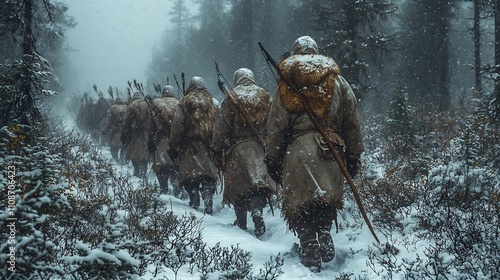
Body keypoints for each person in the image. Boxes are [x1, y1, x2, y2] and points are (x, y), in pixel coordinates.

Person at [264, 36, 364, 272]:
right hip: (331, 149)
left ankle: (309, 242)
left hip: (298, 151)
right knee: (325, 197)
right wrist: (353, 155)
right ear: (317, 52)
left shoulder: (287, 83)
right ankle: (325, 232)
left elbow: (276, 124)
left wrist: (273, 158)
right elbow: (352, 121)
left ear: (295, 52)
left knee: (300, 202)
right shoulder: (337, 81)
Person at [211, 68, 275, 238]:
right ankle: (256, 210)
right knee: (259, 185)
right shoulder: (265, 97)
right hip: (260, 149)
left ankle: (241, 222)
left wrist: (217, 149)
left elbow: (221, 128)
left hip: (237, 150)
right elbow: (274, 122)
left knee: (239, 188)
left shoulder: (230, 97)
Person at [168, 77, 219, 215]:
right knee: (208, 176)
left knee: (190, 177)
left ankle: (194, 196)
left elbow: (177, 125)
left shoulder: (184, 102)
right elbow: (219, 125)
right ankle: (208, 195)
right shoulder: (213, 102)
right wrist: (219, 145)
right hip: (209, 146)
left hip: (190, 147)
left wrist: (173, 146)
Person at [148, 85, 181, 196]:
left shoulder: (156, 105)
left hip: (161, 140)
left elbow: (151, 125)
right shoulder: (179, 104)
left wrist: (150, 140)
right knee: (176, 166)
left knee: (161, 167)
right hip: (176, 141)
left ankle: (164, 189)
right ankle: (177, 188)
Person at [121, 91, 150, 178]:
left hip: (134, 133)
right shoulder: (147, 104)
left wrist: (124, 132)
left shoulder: (131, 105)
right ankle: (144, 172)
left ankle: (137, 171)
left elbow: (125, 121)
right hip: (146, 133)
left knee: (134, 153)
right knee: (145, 153)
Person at [104, 97, 128, 164]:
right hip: (124, 131)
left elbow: (108, 122)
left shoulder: (112, 109)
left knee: (113, 148)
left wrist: (105, 130)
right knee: (124, 147)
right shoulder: (127, 108)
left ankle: (116, 159)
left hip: (114, 131)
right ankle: (122, 158)